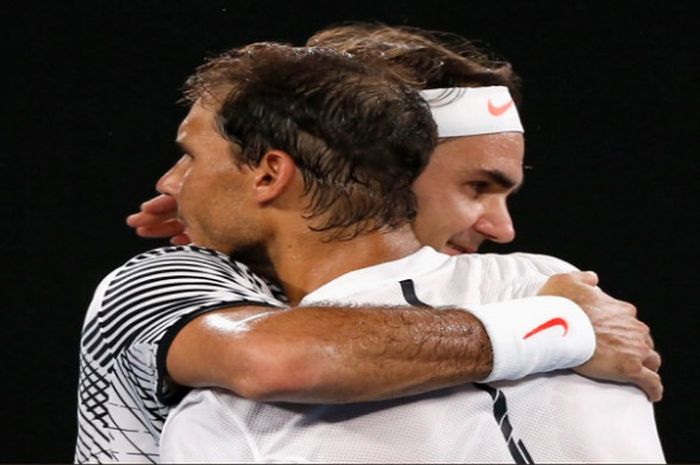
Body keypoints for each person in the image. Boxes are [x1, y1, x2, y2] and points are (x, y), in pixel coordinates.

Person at [75, 29, 659, 464]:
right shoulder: (555, 300)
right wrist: (557, 328)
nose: (501, 228)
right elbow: (277, 359)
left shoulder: (233, 418)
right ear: (396, 170)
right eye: (476, 186)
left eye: (193, 158)